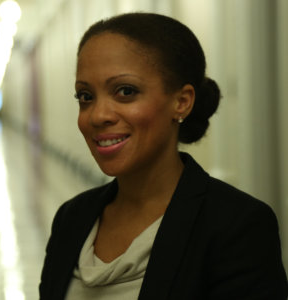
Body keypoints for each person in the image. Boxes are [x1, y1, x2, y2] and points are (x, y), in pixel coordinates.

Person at [39, 12, 288, 299]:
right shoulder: (72, 218)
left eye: (125, 91)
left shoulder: (235, 226)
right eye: (85, 96)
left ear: (181, 102)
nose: (98, 115)